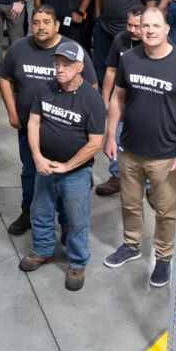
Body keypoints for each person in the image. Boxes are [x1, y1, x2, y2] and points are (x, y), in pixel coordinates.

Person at [104, 8, 176, 287]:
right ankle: (131, 245)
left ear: (167, 29)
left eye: (155, 26)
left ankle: (163, 257)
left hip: (166, 154)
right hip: (130, 149)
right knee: (130, 203)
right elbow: (118, 98)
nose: (149, 30)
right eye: (144, 25)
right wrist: (111, 135)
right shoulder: (130, 59)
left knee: (166, 211)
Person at [0, 5, 98, 234]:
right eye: (36, 22)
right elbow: (5, 78)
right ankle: (28, 212)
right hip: (28, 128)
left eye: (46, 22)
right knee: (30, 172)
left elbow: (91, 88)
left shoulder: (72, 50)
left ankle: (65, 222)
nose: (40, 27)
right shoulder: (19, 47)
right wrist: (12, 112)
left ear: (56, 25)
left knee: (64, 176)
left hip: (65, 131)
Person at [18, 41, 106, 291]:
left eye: (66, 64)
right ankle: (43, 251)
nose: (60, 68)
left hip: (75, 172)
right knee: (40, 212)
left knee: (78, 220)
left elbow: (94, 143)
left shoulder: (92, 99)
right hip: (44, 166)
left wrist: (67, 166)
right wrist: (36, 156)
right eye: (57, 64)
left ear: (80, 67)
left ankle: (77, 263)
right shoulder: (45, 88)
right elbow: (33, 122)